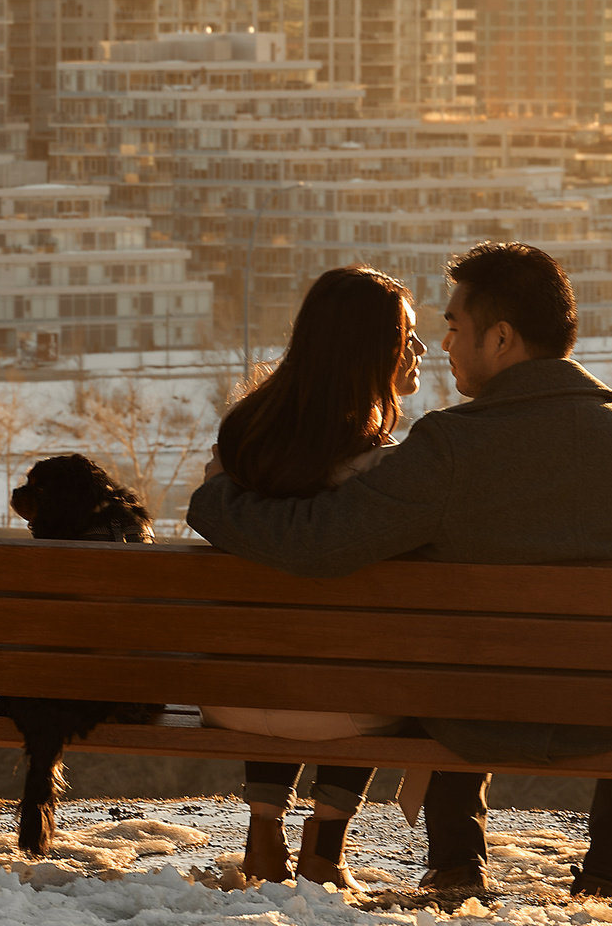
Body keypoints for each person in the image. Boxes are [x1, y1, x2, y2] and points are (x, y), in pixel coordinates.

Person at [186, 242, 612, 902]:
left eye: (455, 327)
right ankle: (608, 873)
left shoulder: (447, 449)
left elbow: (318, 543)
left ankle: (458, 862)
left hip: (476, 714)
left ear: (503, 338)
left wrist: (216, 499)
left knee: (451, 674)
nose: (445, 344)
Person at [203, 266, 425, 888]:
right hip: (346, 712)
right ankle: (325, 837)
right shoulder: (387, 472)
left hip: (231, 700)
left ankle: (264, 824)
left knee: (270, 634)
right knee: (365, 656)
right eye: (408, 338)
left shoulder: (239, 448)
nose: (419, 352)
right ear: (369, 350)